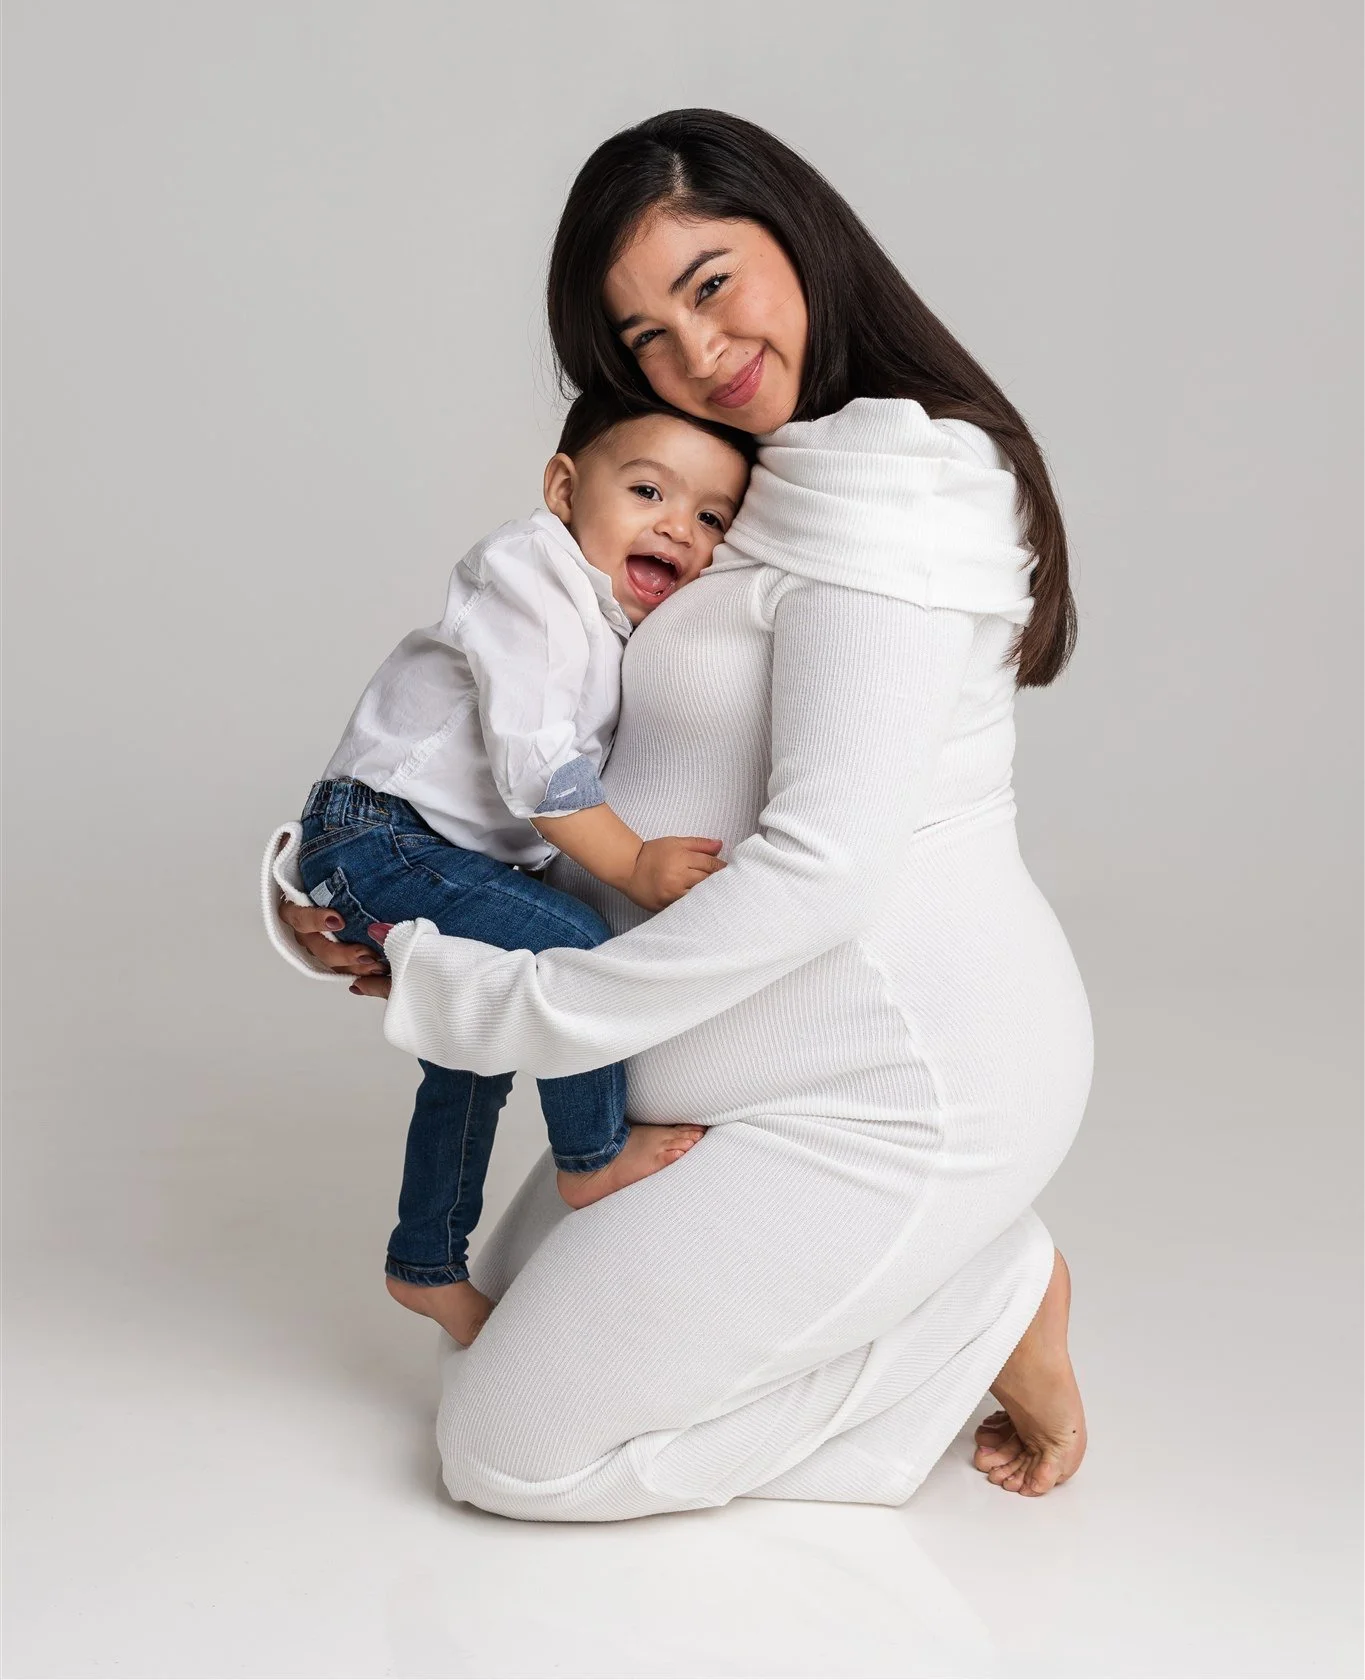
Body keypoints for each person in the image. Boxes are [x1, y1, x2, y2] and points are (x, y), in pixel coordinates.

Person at [266, 108, 1095, 1516]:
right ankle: (932, 1283)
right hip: (694, 1069)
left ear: (800, 234)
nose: (699, 352)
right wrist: (349, 895)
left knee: (508, 1452)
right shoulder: (739, 473)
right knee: (490, 1343)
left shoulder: (897, 492)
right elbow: (534, 731)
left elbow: (824, 870)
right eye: (646, 334)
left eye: (712, 283)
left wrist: (497, 999)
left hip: (886, 1086)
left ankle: (982, 1297)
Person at [265, 393, 752, 1346]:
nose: (677, 528)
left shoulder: (614, 615)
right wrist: (632, 863)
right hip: (382, 837)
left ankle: (425, 1265)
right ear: (563, 490)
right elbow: (536, 765)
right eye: (647, 491)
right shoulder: (530, 577)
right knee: (577, 949)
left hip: (429, 850)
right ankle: (589, 1154)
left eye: (710, 518)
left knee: (470, 1059)